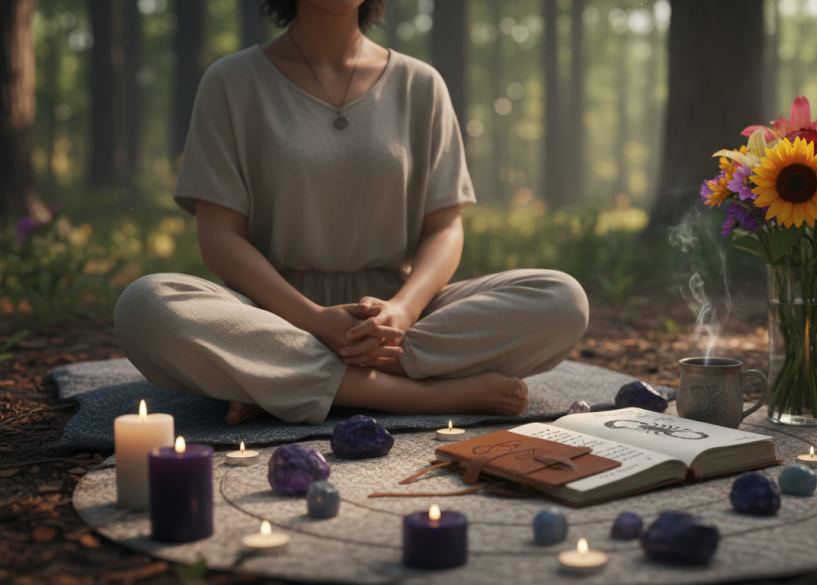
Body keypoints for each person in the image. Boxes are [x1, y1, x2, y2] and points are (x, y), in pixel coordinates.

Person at [113, 0, 589, 426]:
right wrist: (314, 320)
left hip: (397, 315)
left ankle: (280, 381)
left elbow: (444, 228)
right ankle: (413, 395)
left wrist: (402, 311)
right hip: (270, 313)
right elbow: (219, 237)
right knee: (146, 306)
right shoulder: (232, 82)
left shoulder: (420, 84)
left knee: (561, 299)